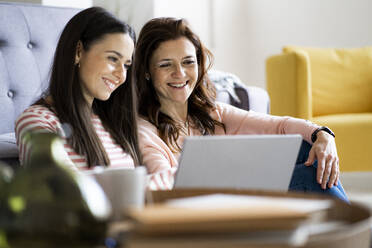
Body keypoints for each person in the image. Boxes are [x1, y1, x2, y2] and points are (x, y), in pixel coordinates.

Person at [134, 17, 348, 202]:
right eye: (165, 65)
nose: (180, 73)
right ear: (147, 72)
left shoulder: (211, 113)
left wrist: (323, 135)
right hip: (206, 210)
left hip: (238, 197)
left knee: (307, 146)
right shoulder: (145, 132)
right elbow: (167, 193)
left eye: (188, 62)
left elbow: (280, 125)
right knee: (311, 176)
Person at [15, 7, 142, 171]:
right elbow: (64, 188)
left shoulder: (109, 121)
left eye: (126, 65)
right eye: (112, 58)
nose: (121, 75)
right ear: (78, 51)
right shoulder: (37, 121)